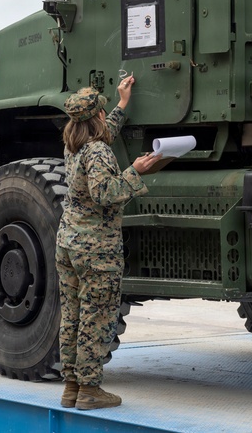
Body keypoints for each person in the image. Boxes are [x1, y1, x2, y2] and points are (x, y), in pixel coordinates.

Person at [55, 75, 161, 410]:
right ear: (97, 117)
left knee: (73, 314)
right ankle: (90, 389)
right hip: (96, 249)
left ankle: (72, 386)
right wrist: (136, 170)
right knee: (97, 315)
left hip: (69, 243)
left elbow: (104, 133)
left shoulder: (74, 146)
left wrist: (122, 102)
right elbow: (105, 193)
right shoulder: (98, 151)